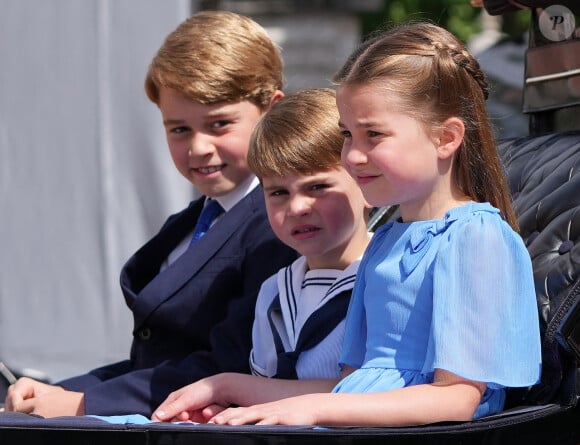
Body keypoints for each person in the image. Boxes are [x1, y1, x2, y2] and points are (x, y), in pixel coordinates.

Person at [153, 21, 542, 427]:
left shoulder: (474, 237)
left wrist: (312, 410)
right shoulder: (388, 240)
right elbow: (351, 387)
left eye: (373, 134)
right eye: (347, 135)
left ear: (446, 137)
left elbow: (457, 397)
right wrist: (229, 389)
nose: (353, 156)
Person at [3, 10, 297, 418]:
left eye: (219, 124)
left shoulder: (283, 224)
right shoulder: (190, 222)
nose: (198, 148)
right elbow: (153, 362)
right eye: (179, 129)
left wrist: (85, 402)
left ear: (271, 111)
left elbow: (235, 361)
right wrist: (56, 391)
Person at [151, 88, 371, 423]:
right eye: (278, 192)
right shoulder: (274, 293)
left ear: (367, 184)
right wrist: (229, 409)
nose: (297, 207)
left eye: (317, 187)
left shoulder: (390, 278)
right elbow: (270, 392)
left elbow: (376, 394)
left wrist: (230, 387)